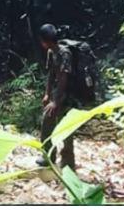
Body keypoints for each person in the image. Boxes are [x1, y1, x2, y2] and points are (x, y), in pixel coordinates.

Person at [38, 23, 76, 169]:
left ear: (45, 40)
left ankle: (68, 163)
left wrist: (55, 101)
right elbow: (51, 74)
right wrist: (47, 93)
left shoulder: (64, 53)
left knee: (67, 128)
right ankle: (48, 155)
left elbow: (63, 79)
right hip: (56, 94)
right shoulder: (51, 52)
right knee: (47, 122)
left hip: (68, 96)